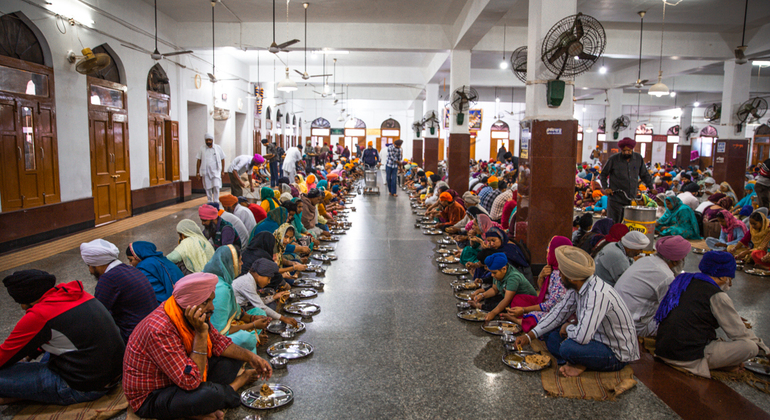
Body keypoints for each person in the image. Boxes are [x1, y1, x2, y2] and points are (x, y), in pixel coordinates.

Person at [123, 273, 272, 419]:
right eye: (206, 302)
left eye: (211, 300)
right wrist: (201, 334)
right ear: (191, 303)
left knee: (234, 358)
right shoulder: (160, 330)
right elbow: (190, 382)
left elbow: (219, 343)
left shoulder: (191, 313)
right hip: (153, 395)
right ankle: (235, 386)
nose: (212, 307)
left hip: (182, 376)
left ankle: (200, 410)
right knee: (209, 395)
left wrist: (252, 357)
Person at [0, 270, 124, 405]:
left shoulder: (39, 315)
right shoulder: (79, 294)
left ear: (24, 300)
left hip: (83, 387)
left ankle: (34, 393)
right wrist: (29, 356)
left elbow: (4, 355)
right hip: (112, 375)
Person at [514, 246, 639, 377]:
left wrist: (568, 327)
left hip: (615, 352)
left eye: (561, 273)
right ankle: (577, 361)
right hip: (593, 339)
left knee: (567, 348)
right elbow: (558, 313)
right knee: (550, 334)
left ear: (572, 278)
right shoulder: (578, 286)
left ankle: (579, 362)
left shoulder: (596, 294)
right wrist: (529, 336)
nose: (560, 276)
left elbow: (582, 337)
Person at [655, 251, 769, 378]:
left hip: (663, 348)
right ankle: (714, 365)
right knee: (751, 347)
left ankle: (723, 363)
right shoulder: (717, 295)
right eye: (730, 278)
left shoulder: (685, 281)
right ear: (721, 277)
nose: (730, 284)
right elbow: (739, 333)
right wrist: (766, 351)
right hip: (687, 356)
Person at [80, 239, 158, 342]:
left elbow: (97, 315)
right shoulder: (130, 269)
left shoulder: (108, 279)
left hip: (135, 338)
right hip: (151, 328)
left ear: (97, 264)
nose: (90, 271)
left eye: (89, 266)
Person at [614, 235, 691, 337]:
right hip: (633, 326)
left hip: (617, 317)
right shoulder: (666, 276)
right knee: (682, 321)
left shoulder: (645, 260)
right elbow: (669, 309)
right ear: (676, 261)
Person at [204, 246, 270, 354]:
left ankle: (254, 340)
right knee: (247, 338)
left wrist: (254, 318)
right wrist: (253, 325)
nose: (242, 264)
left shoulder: (225, 282)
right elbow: (220, 332)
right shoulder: (221, 289)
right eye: (239, 261)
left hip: (230, 325)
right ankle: (252, 346)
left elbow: (238, 313)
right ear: (231, 264)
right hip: (214, 338)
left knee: (259, 312)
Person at [501, 236, 571, 332]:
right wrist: (541, 277)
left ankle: (519, 321)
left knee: (538, 319)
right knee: (518, 298)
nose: (547, 251)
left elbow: (552, 305)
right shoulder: (552, 269)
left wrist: (524, 310)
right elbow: (545, 292)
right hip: (544, 302)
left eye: (549, 248)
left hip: (555, 310)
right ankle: (523, 318)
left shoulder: (563, 275)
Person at [598, 137, 653, 225]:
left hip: (630, 198)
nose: (626, 152)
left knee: (628, 223)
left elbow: (644, 174)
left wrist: (651, 187)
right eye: (624, 151)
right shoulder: (613, 159)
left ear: (632, 149)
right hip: (615, 198)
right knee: (613, 223)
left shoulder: (638, 158)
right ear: (621, 150)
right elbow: (603, 174)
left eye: (629, 150)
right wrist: (606, 188)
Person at [471, 253, 537, 322]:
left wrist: (493, 313)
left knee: (497, 306)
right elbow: (494, 290)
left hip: (526, 303)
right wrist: (482, 295)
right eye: (491, 272)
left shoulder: (513, 277)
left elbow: (506, 300)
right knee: (489, 300)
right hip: (510, 299)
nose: (492, 275)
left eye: (494, 273)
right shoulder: (498, 273)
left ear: (504, 269)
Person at [232, 258, 298, 327]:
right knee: (262, 313)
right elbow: (261, 307)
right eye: (268, 278)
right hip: (237, 312)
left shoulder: (250, 280)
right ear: (258, 274)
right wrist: (284, 318)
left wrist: (274, 297)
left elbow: (258, 302)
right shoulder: (247, 283)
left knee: (269, 307)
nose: (269, 282)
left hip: (243, 308)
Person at [196, 133, 226, 202]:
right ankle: (209, 201)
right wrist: (197, 172)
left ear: (212, 140)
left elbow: (223, 158)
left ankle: (216, 201)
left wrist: (223, 171)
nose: (208, 142)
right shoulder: (202, 148)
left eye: (209, 140)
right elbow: (198, 160)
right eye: (206, 140)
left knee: (216, 186)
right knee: (207, 187)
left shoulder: (218, 148)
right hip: (206, 172)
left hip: (216, 171)